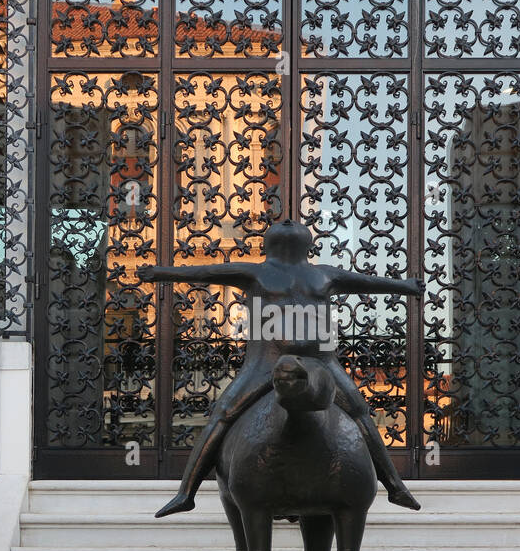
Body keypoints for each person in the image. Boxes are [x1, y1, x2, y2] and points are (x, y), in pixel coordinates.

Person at [138, 219, 423, 517]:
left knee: (361, 414)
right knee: (222, 415)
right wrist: (161, 273)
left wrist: (404, 286)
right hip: (266, 363)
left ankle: (395, 485)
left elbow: (368, 282)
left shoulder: (322, 274)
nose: (287, 220)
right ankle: (186, 493)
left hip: (322, 363)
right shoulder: (260, 272)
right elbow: (203, 272)